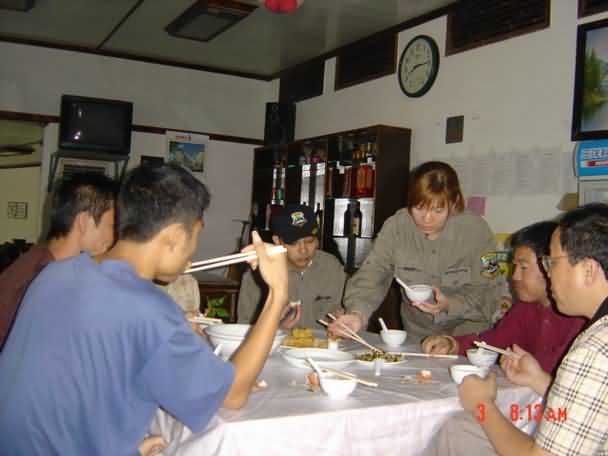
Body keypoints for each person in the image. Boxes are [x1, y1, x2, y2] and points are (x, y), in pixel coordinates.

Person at [0, 164, 288, 455]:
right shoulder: (151, 311)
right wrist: (277, 294)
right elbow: (233, 395)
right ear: (174, 236)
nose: (193, 250)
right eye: (195, 235)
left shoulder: (57, 273)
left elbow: (66, 390)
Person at [433, 203, 608, 455]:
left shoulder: (592, 351)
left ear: (588, 270)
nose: (549, 274)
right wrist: (539, 380)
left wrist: (482, 405)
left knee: (460, 427)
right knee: (460, 429)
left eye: (552, 263)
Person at [329, 161, 499, 341]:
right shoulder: (396, 227)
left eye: (437, 210)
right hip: (419, 334)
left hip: (467, 333)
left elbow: (491, 287)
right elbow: (373, 273)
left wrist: (451, 304)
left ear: (454, 203)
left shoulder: (478, 231)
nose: (427, 219)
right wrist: (357, 314)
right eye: (419, 208)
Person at [422, 221, 585, 374]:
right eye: (514, 266)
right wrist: (452, 344)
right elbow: (493, 342)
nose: (515, 276)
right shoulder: (525, 307)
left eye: (523, 267)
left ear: (551, 265)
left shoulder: (578, 316)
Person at [0, 172, 116, 350]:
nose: (113, 236)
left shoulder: (39, 261)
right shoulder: (43, 280)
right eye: (111, 226)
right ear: (84, 222)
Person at [238, 203, 346, 329]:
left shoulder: (331, 267)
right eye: (293, 243)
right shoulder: (259, 274)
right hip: (276, 341)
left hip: (323, 341)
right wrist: (277, 328)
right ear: (277, 241)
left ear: (317, 240)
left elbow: (348, 313)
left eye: (309, 241)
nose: (303, 250)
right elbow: (244, 329)